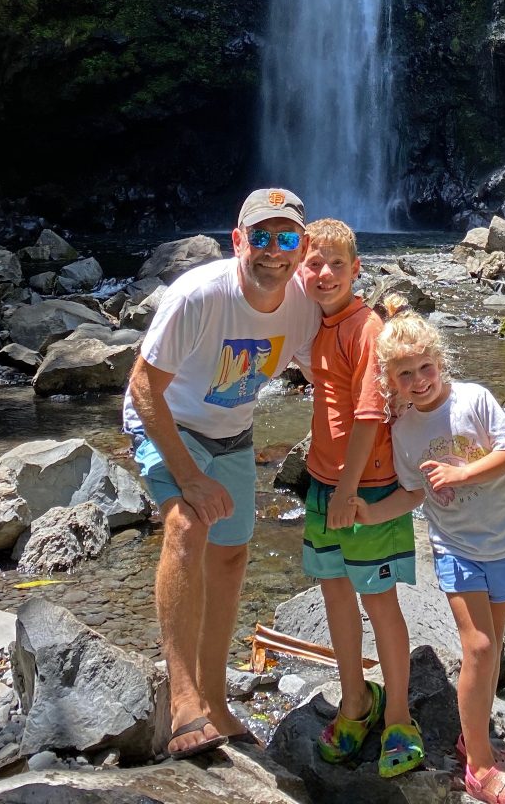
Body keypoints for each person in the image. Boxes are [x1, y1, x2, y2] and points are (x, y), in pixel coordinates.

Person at [125, 187, 320, 758]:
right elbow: (142, 388)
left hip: (234, 432)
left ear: (302, 246)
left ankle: (215, 696)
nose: (273, 252)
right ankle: (184, 701)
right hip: (168, 422)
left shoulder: (304, 305)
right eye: (260, 237)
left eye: (286, 239)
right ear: (238, 241)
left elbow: (331, 369)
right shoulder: (199, 295)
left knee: (232, 554)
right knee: (187, 526)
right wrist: (188, 476)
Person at [357, 310, 505, 804]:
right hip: (455, 547)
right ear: (390, 381)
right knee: (479, 647)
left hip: (504, 544)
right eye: (404, 374)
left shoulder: (474, 400)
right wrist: (374, 516)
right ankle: (479, 764)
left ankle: (471, 731)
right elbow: (413, 492)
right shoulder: (405, 431)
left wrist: (462, 474)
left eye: (424, 368)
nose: (418, 381)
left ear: (439, 361)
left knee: (492, 645)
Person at [298, 218, 423, 779]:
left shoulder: (365, 328)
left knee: (378, 601)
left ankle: (399, 713)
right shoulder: (318, 326)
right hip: (324, 485)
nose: (324, 274)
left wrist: (349, 492)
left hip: (363, 489)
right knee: (335, 595)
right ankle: (356, 700)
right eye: (315, 264)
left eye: (337, 265)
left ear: (357, 270)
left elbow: (370, 416)